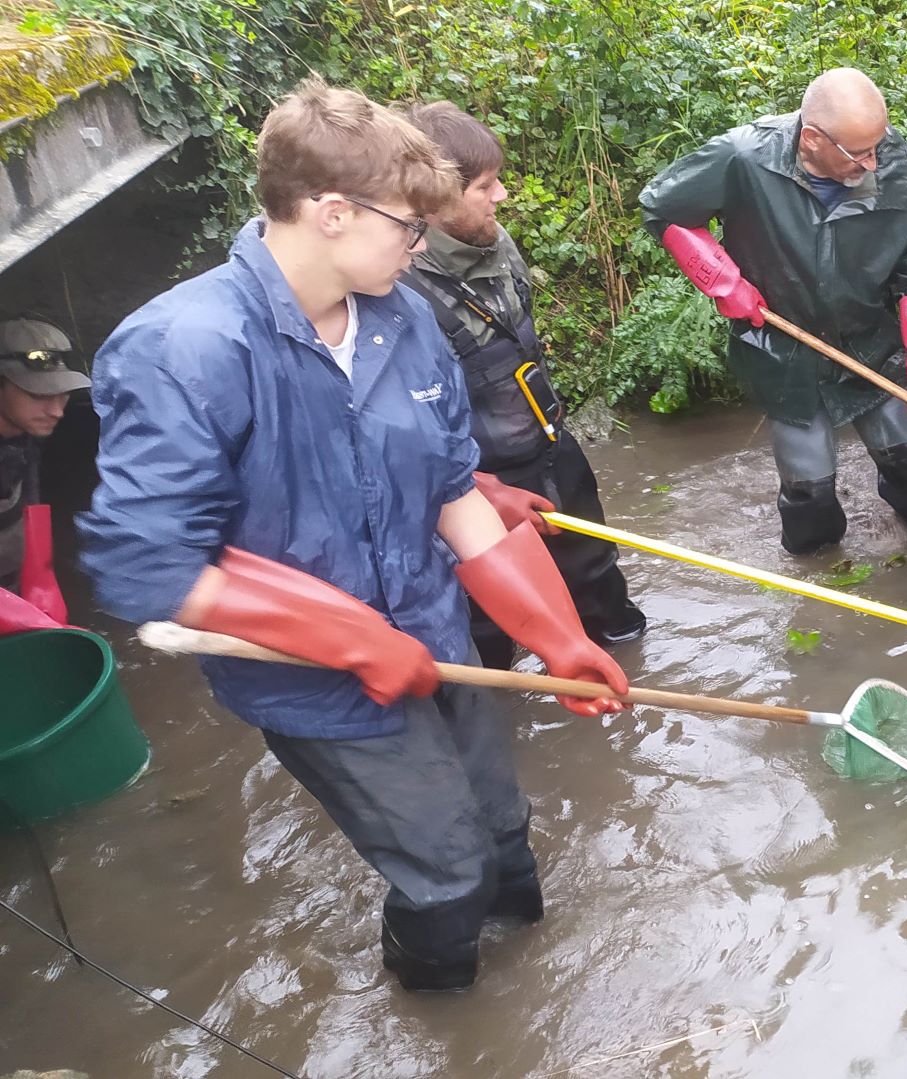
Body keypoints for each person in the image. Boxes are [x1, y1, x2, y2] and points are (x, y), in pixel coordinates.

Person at [78, 79, 629, 992]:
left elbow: (457, 499)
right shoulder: (184, 348)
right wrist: (346, 637)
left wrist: (559, 639)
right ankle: (443, 1007)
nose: (420, 247)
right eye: (408, 228)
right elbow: (145, 563)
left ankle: (530, 992)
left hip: (436, 633)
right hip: (315, 684)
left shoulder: (404, 318)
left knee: (503, 833)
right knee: (447, 874)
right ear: (332, 212)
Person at [639, 67, 907, 555]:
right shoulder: (743, 158)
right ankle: (821, 594)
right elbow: (663, 209)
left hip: (869, 344)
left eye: (878, 145)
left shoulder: (894, 161)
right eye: (859, 152)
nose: (874, 164)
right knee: (811, 502)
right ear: (811, 140)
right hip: (784, 352)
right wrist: (722, 281)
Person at [398, 101, 645, 670]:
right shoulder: (396, 286)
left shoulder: (495, 240)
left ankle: (626, 665)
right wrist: (475, 488)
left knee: (596, 574)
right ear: (433, 200)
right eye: (485, 186)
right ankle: (506, 711)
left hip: (549, 443)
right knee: (485, 619)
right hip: (475, 480)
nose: (502, 197)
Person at [0, 318, 87, 633]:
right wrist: (29, 620)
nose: (58, 410)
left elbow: (30, 513)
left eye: (62, 393)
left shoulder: (25, 439)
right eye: (39, 395)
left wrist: (41, 596)